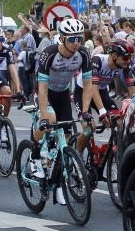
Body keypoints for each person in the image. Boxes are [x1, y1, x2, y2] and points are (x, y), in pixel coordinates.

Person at [33, 18, 93, 204]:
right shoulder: (49, 53)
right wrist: (43, 116)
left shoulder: (83, 53)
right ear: (62, 38)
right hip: (45, 92)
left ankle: (59, 184)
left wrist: (84, 112)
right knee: (50, 119)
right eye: (72, 39)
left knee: (64, 142)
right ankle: (35, 155)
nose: (76, 43)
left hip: (64, 94)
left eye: (79, 39)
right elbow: (42, 88)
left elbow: (88, 84)